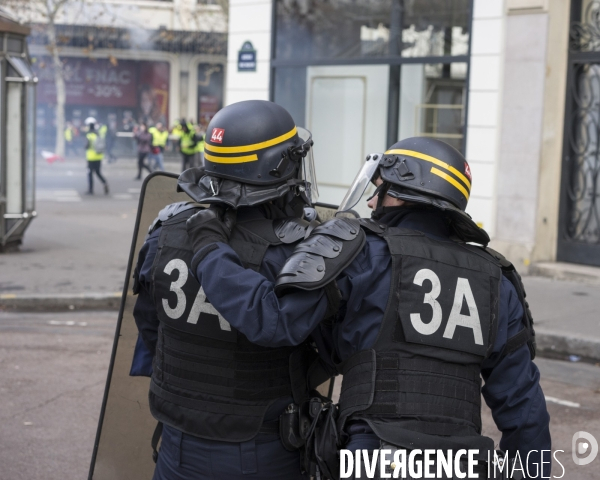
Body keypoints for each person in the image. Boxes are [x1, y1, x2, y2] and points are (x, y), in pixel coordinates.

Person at [184, 138, 551, 478]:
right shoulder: (496, 277)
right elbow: (525, 410)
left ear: (402, 194)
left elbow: (272, 321)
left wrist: (208, 246)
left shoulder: (359, 248)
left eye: (379, 191)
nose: (373, 202)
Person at [131, 100, 332, 480]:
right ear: (282, 165)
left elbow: (150, 324)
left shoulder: (167, 228)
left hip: (174, 440)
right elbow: (328, 345)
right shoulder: (297, 252)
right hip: (259, 447)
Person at [84, 117, 109, 195]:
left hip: (91, 157)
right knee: (98, 172)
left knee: (90, 173)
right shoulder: (98, 134)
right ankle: (105, 183)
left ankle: (90, 190)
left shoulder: (89, 135)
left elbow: (87, 146)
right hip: (99, 156)